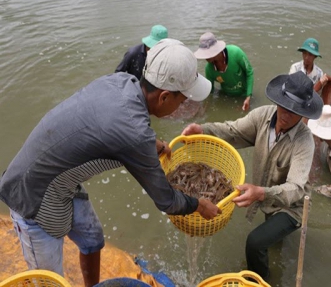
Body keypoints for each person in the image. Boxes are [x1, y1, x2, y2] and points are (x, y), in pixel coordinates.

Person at [0, 39, 221, 287]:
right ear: (164, 97)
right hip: (32, 196)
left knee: (93, 240)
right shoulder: (135, 133)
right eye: (182, 101)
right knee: (49, 282)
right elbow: (167, 201)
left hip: (63, 183)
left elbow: (114, 127)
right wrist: (198, 205)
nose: (182, 107)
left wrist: (154, 144)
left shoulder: (120, 82)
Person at [181, 71, 323, 281]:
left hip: (292, 207)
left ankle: (260, 281)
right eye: (284, 106)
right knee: (271, 237)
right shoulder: (262, 116)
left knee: (255, 242)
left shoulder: (304, 142)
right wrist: (202, 129)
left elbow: (296, 188)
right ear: (278, 100)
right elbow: (232, 131)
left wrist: (260, 193)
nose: (286, 114)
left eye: (294, 112)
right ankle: (275, 245)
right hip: (266, 196)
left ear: (303, 113)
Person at [194, 32, 254, 111]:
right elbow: (210, 91)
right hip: (226, 96)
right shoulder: (209, 69)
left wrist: (248, 97)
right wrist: (204, 106)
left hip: (244, 94)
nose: (206, 58)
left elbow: (249, 73)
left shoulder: (236, 53)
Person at [289, 37, 331, 105]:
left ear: (315, 56)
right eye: (304, 53)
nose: (306, 57)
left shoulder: (319, 73)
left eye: (310, 55)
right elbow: (292, 90)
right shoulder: (295, 68)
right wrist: (319, 83)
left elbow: (318, 96)